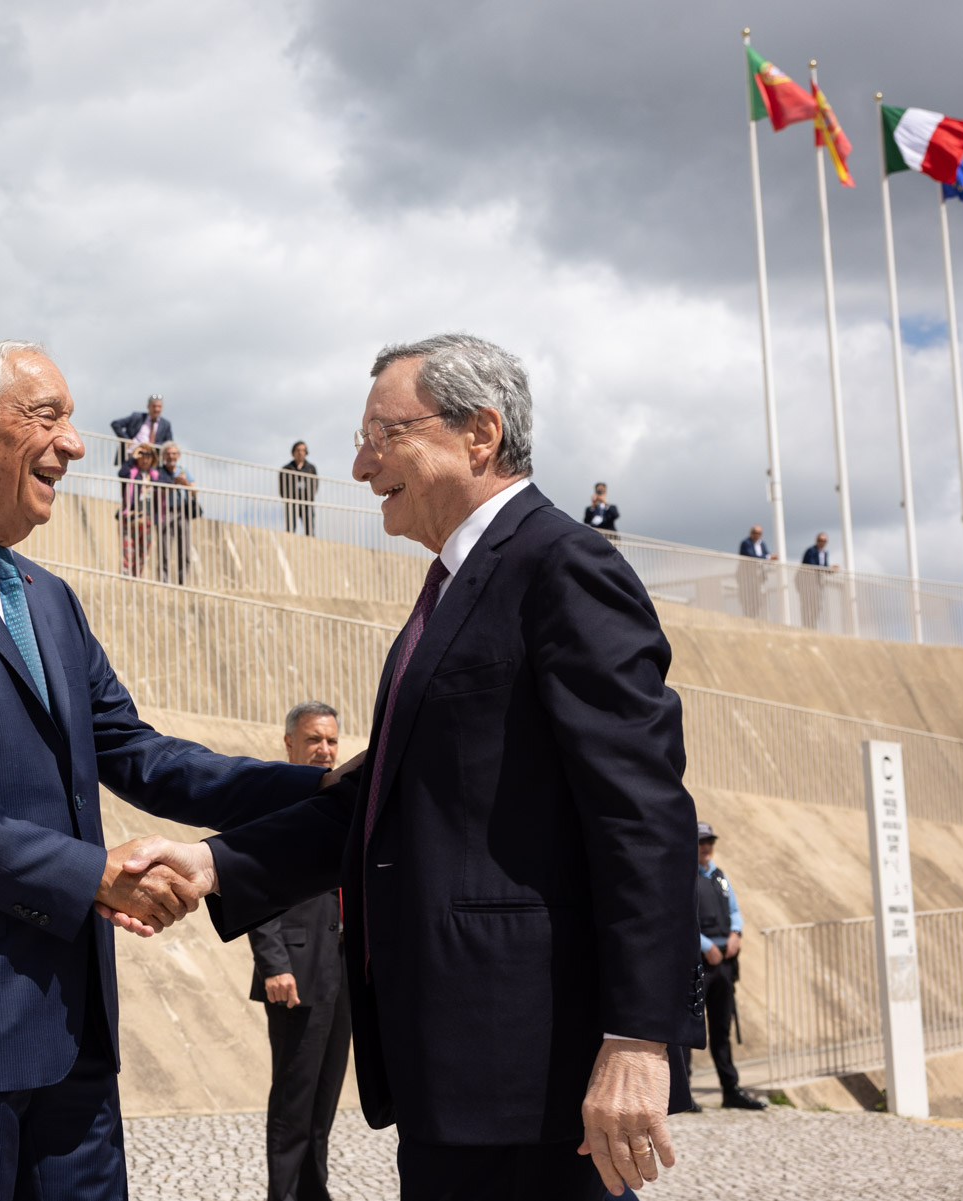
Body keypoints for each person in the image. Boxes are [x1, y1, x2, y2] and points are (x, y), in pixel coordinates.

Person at [113, 334, 704, 1200]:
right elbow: (382, 802)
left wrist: (639, 1038)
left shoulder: (562, 566)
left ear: (480, 433)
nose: (360, 465)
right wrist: (212, 863)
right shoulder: (450, 592)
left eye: (383, 435)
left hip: (531, 1065)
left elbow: (643, 813)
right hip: (453, 1062)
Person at [0, 339, 327, 1201]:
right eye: (47, 417)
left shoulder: (49, 598)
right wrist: (92, 876)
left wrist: (323, 790)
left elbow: (138, 752)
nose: (75, 444)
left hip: (75, 1030)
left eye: (72, 421)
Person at [247, 701, 351, 1201]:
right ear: (290, 742)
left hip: (343, 970)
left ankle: (314, 1192)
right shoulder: (273, 800)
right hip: (295, 971)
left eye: (331, 740)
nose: (324, 749)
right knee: (294, 1098)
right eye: (314, 739)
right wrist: (274, 964)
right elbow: (254, 885)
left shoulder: (343, 799)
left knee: (325, 1095)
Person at [693, 822, 766, 1111]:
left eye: (709, 841)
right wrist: (706, 946)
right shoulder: (686, 877)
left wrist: (736, 933)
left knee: (722, 1027)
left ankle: (730, 1089)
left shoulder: (719, 876)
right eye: (701, 841)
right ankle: (684, 1094)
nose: (706, 846)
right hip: (700, 962)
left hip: (724, 963)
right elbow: (682, 919)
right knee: (691, 1029)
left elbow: (734, 911)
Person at [156, 442, 200, 586]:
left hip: (183, 512)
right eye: (168, 453)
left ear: (178, 455)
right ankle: (164, 581)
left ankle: (182, 582)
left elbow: (195, 492)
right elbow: (157, 493)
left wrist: (185, 483)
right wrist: (173, 484)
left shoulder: (184, 471)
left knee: (185, 549)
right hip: (166, 512)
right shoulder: (159, 472)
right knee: (164, 548)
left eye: (174, 453)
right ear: (164, 456)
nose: (171, 456)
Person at [117, 442, 162, 577]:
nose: (145, 459)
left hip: (147, 516)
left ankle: (136, 576)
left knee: (143, 549)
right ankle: (126, 576)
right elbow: (122, 473)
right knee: (128, 547)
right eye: (142, 456)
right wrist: (132, 457)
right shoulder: (131, 472)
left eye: (148, 456)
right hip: (130, 514)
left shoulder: (155, 476)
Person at [108, 395, 171, 464]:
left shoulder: (166, 424)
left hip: (151, 459)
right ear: (148, 406)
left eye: (159, 406)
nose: (156, 409)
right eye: (154, 406)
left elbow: (169, 443)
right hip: (130, 454)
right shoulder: (137, 417)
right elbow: (116, 424)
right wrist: (126, 439)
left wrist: (152, 446)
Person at [797, 533, 838, 630]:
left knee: (817, 606)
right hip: (807, 583)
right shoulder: (811, 551)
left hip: (817, 584)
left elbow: (824, 568)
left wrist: (831, 570)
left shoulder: (825, 553)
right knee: (807, 605)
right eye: (820, 540)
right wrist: (828, 569)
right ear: (817, 541)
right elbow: (812, 566)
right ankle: (806, 626)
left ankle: (813, 626)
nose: (822, 542)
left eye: (824, 541)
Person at [736, 524, 777, 620]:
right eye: (755, 533)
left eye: (759, 533)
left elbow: (766, 554)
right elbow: (751, 556)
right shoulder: (746, 543)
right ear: (751, 533)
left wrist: (771, 557)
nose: (757, 535)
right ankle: (748, 617)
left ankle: (753, 617)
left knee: (758, 599)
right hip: (747, 576)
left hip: (758, 577)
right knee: (748, 598)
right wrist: (768, 557)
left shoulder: (762, 544)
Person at [279, 441, 319, 536]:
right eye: (298, 450)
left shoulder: (311, 468)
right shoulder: (286, 468)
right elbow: (282, 486)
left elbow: (315, 484)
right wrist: (287, 498)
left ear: (306, 452)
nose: (300, 452)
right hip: (291, 502)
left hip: (307, 503)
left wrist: (309, 497)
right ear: (293, 452)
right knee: (290, 529)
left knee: (309, 530)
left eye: (303, 450)